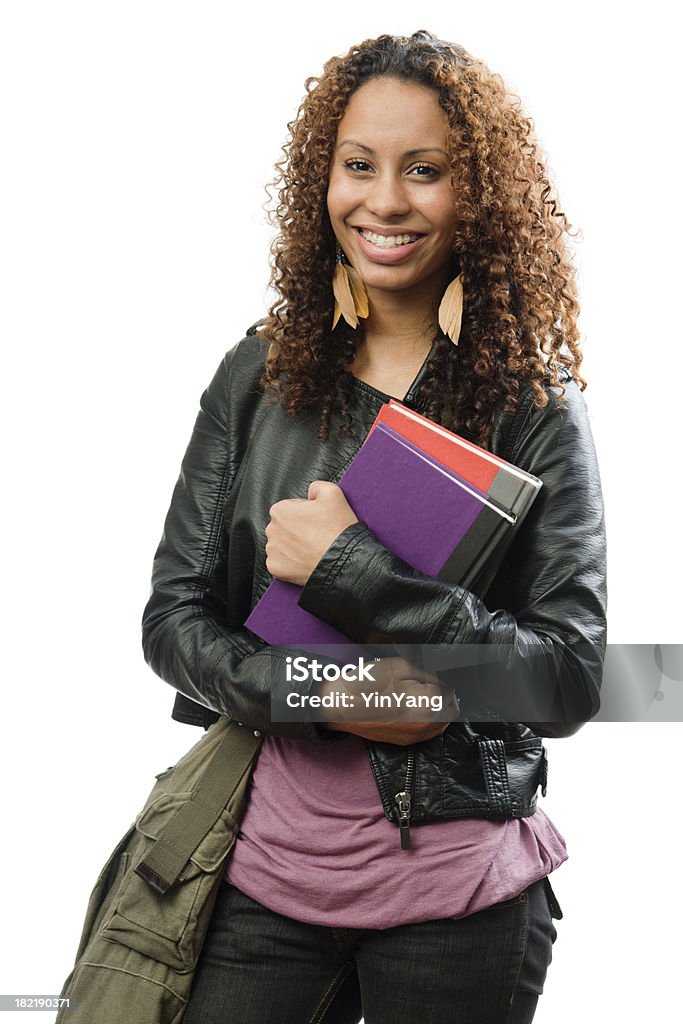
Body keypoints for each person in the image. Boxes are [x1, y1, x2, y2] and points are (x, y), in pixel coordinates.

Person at [141, 29, 607, 1024]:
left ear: (476, 192)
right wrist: (316, 690)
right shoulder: (257, 373)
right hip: (260, 879)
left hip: (458, 899)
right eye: (357, 166)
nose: (383, 201)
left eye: (423, 170)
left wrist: (347, 566)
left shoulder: (532, 404)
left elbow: (565, 672)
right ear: (325, 179)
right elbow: (172, 617)